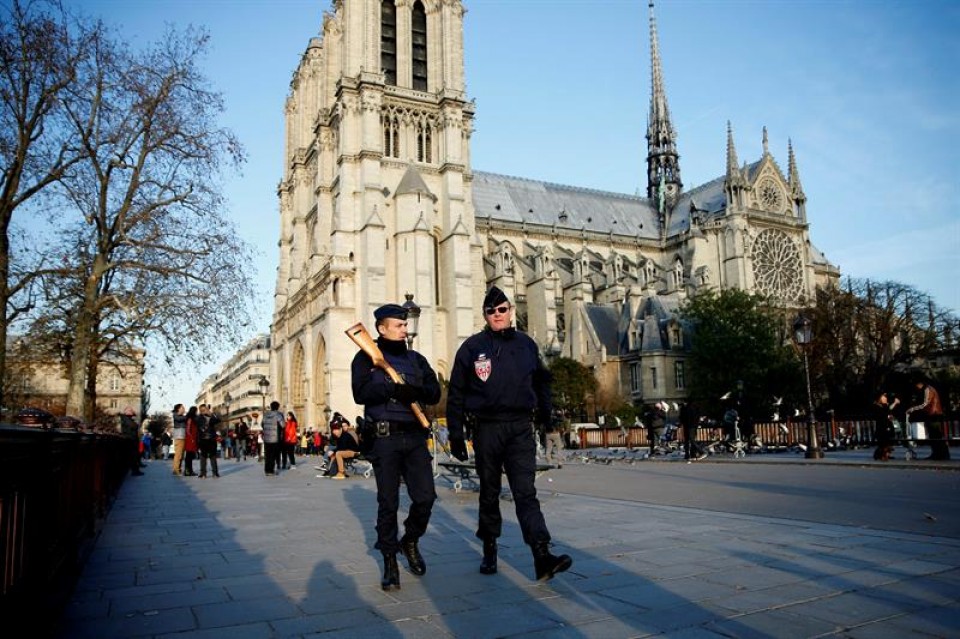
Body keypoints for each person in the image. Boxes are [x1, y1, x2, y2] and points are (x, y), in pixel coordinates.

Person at [446, 286, 572, 582]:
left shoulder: (527, 344)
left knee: (525, 493)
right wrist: (455, 435)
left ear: (511, 311)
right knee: (489, 492)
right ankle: (490, 547)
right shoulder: (471, 348)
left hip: (519, 428)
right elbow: (456, 394)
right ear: (485, 315)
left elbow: (542, 382)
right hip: (487, 428)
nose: (497, 315)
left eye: (502, 309)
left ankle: (542, 554)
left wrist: (546, 415)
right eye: (491, 311)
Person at [351, 303, 442, 591]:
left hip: (415, 438)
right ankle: (390, 560)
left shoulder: (417, 360)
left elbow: (435, 391)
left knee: (425, 497)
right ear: (381, 328)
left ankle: (410, 539)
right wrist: (391, 388)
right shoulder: (366, 358)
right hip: (384, 438)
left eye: (406, 324)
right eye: (399, 325)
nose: (405, 328)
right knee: (388, 503)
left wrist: (413, 391)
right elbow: (359, 393)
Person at [908, 379, 948, 461]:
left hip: (933, 414)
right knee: (937, 436)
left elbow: (925, 403)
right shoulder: (930, 388)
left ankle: (938, 454)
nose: (917, 388)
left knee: (934, 435)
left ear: (919, 384)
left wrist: (913, 409)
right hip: (935, 414)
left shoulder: (927, 389)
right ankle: (941, 454)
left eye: (916, 386)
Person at [873, 391, 899, 461]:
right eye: (884, 397)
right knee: (883, 441)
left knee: (888, 441)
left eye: (885, 397)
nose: (885, 398)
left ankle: (886, 454)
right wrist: (888, 405)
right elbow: (883, 414)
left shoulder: (885, 405)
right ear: (879, 398)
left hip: (888, 425)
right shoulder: (876, 406)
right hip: (882, 426)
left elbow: (888, 412)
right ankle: (881, 455)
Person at [197, 404, 221, 478]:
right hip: (203, 439)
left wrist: (211, 414)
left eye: (206, 409)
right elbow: (199, 427)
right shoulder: (198, 418)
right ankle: (203, 473)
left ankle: (215, 472)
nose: (204, 411)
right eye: (203, 410)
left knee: (213, 456)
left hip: (211, 439)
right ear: (200, 411)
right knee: (203, 457)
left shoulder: (211, 417)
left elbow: (218, 420)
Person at [261, 401, 284, 475]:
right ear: (277, 407)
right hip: (275, 438)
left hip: (267, 437)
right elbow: (283, 425)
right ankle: (271, 470)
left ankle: (267, 470)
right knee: (273, 454)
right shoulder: (278, 415)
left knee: (267, 454)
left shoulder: (265, 415)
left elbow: (262, 424)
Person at [120, 407, 144, 476]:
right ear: (126, 411)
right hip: (129, 439)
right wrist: (135, 422)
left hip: (132, 439)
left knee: (134, 456)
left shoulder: (128, 418)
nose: (132, 412)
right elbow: (134, 426)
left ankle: (136, 470)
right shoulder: (125, 418)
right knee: (133, 456)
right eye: (130, 411)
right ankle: (134, 471)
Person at [184, 406, 200, 476]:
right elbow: (188, 430)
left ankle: (189, 470)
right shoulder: (190, 419)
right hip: (190, 439)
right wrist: (192, 438)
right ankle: (188, 471)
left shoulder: (192, 419)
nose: (197, 412)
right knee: (189, 456)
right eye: (196, 411)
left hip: (192, 438)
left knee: (190, 456)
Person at [171, 404, 187, 475]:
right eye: (182, 408)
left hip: (182, 436)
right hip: (179, 436)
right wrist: (187, 416)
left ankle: (178, 468)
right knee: (178, 454)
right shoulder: (176, 415)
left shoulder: (181, 416)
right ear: (178, 409)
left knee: (181, 454)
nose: (184, 409)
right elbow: (179, 419)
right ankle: (176, 469)